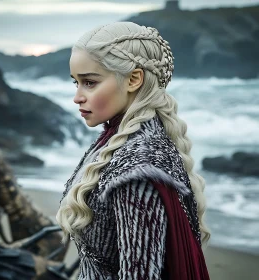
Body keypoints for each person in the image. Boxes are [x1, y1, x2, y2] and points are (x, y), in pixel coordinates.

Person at [56, 21, 210, 280]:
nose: (78, 97)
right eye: (76, 83)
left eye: (90, 83)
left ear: (134, 79)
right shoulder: (117, 141)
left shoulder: (137, 168)